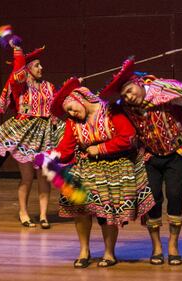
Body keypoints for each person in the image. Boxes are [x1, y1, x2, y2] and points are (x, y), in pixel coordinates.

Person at [98, 59, 182, 265]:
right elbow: (104, 113)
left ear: (139, 83)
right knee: (153, 201)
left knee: (175, 196)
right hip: (149, 157)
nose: (129, 97)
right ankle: (156, 247)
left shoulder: (165, 92)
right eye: (125, 95)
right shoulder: (126, 108)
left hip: (176, 153)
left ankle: (173, 245)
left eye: (130, 91)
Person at [38, 77, 155, 268]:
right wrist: (48, 157)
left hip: (114, 166)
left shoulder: (111, 111)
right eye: (68, 111)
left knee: (107, 210)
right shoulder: (72, 122)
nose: (72, 113)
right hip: (86, 166)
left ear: (81, 98)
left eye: (72, 107)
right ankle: (84, 250)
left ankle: (109, 253)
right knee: (80, 206)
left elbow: (128, 137)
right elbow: (66, 149)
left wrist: (100, 148)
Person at [0, 39, 64, 229]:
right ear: (27, 69)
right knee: (27, 177)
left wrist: (70, 89)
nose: (41, 68)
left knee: (43, 176)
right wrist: (18, 52)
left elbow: (58, 104)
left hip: (45, 135)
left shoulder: (49, 86)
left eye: (41, 64)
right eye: (37, 65)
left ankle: (43, 215)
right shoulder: (21, 85)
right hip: (25, 133)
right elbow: (16, 74)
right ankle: (23, 213)